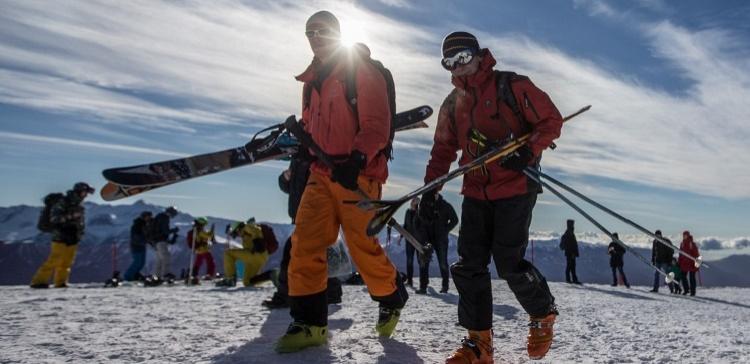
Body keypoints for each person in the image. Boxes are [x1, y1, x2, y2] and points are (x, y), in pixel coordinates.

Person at [422, 31, 562, 362]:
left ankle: (542, 313)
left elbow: (551, 121)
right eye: (450, 62)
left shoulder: (512, 86)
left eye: (463, 57)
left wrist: (528, 151)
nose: (459, 66)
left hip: (516, 186)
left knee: (508, 260)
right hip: (475, 189)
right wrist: (431, 190)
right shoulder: (453, 104)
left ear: (478, 55)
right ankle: (478, 344)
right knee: (469, 263)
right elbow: (443, 149)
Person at [274, 10, 408, 353]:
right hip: (321, 175)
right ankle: (309, 323)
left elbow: (377, 123)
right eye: (309, 32)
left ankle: (392, 294)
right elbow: (316, 125)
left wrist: (359, 158)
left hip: (357, 176)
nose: (315, 37)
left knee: (362, 249)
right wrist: (301, 143)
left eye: (321, 30)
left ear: (336, 33)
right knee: (305, 243)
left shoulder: (360, 70)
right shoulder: (310, 81)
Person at [261, 153, 342, 308]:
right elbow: (289, 187)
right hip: (302, 213)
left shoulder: (314, 154)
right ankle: (332, 293)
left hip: (312, 212)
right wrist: (285, 178)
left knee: (293, 252)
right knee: (320, 251)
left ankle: (285, 295)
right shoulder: (299, 157)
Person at [30, 182, 95, 288]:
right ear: (79, 191)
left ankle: (61, 282)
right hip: (60, 235)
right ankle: (39, 281)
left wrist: (79, 233)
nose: (86, 195)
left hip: (73, 236)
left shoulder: (79, 205)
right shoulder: (63, 202)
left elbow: (80, 221)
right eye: (84, 192)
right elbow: (54, 219)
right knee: (54, 259)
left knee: (67, 261)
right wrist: (71, 216)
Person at [419, 193, 459, 294]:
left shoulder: (446, 206)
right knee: (424, 261)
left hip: (441, 239)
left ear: (437, 195)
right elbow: (420, 219)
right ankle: (423, 287)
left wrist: (445, 230)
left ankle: (445, 287)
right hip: (426, 238)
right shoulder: (424, 205)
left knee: (442, 263)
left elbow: (455, 220)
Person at [216, 218, 271, 287]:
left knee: (228, 253)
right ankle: (271, 275)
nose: (237, 236)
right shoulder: (245, 235)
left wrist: (257, 240)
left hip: (255, 254)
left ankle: (230, 279)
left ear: (238, 229)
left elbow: (256, 230)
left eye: (236, 233)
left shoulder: (246, 227)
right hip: (259, 258)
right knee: (247, 282)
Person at [398, 197, 422, 288]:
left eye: (414, 202)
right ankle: (410, 281)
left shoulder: (420, 213)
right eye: (412, 202)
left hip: (418, 240)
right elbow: (405, 225)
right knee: (409, 261)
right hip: (408, 240)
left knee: (421, 261)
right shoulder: (408, 212)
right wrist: (401, 237)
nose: (412, 203)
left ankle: (423, 281)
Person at [123, 211, 153, 281]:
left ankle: (135, 274)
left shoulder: (144, 224)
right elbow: (136, 236)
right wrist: (145, 240)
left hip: (141, 245)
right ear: (144, 217)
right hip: (136, 246)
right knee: (137, 262)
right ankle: (127, 276)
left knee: (141, 262)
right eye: (148, 216)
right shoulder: (138, 225)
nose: (149, 218)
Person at [559, 219, 581, 284]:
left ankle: (571, 279)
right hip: (570, 253)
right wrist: (572, 252)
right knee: (570, 266)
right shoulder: (569, 234)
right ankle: (570, 279)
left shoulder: (569, 234)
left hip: (570, 253)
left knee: (571, 266)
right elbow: (571, 245)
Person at [678, 230, 700, 296]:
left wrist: (697, 263)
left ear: (688, 235)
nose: (684, 236)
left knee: (692, 278)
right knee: (683, 276)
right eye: (683, 235)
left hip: (691, 263)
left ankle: (693, 292)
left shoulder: (692, 244)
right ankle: (686, 290)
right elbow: (680, 254)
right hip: (684, 263)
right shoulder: (682, 244)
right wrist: (679, 262)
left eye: (685, 235)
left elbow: (696, 253)